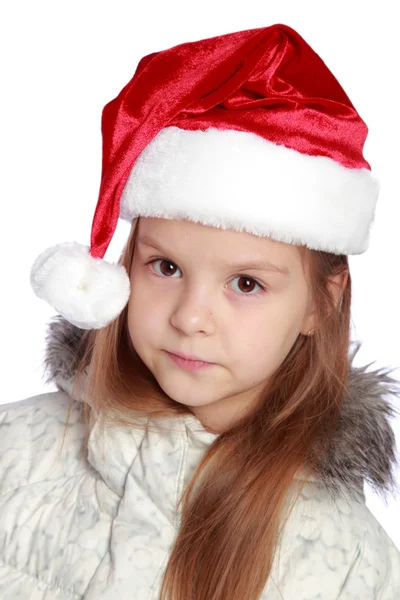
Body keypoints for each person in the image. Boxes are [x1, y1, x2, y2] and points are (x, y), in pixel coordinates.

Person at [1, 23, 399, 600]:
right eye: (165, 268)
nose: (190, 317)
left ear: (322, 301)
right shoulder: (16, 449)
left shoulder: (348, 562)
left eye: (245, 283)